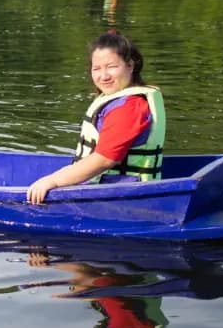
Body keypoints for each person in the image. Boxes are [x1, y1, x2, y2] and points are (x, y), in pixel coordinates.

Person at [26, 30, 165, 204]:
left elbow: (104, 159)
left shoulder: (128, 108)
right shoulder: (117, 99)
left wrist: (52, 180)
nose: (103, 76)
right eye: (96, 68)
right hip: (112, 188)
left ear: (130, 65)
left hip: (123, 196)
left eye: (112, 67)